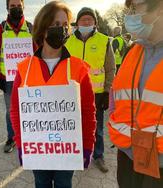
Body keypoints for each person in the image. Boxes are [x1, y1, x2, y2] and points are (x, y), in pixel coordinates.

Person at [10, 1, 96, 187]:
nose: (62, 29)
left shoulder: (78, 68)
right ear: (43, 27)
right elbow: (16, 111)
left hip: (67, 150)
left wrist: (88, 145)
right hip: (38, 149)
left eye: (65, 25)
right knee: (41, 184)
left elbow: (88, 113)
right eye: (56, 25)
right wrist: (20, 143)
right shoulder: (24, 69)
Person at [108, 0, 163, 187]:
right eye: (129, 8)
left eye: (136, 7)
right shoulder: (133, 51)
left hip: (160, 164)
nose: (130, 15)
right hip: (128, 156)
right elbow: (117, 93)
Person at [65, 7, 115, 173]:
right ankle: (76, 153)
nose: (86, 22)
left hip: (97, 94)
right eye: (83, 19)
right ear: (77, 23)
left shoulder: (104, 40)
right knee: (74, 126)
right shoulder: (68, 42)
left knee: (97, 128)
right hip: (73, 93)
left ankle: (98, 156)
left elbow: (110, 68)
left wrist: (107, 91)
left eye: (89, 19)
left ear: (95, 23)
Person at [0, 0, 34, 153]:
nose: (16, 8)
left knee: (30, 109)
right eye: (12, 6)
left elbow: (39, 53)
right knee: (11, 111)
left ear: (23, 7)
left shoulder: (32, 28)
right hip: (8, 80)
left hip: (29, 79)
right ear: (7, 9)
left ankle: (30, 136)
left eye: (18, 5)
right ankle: (12, 137)